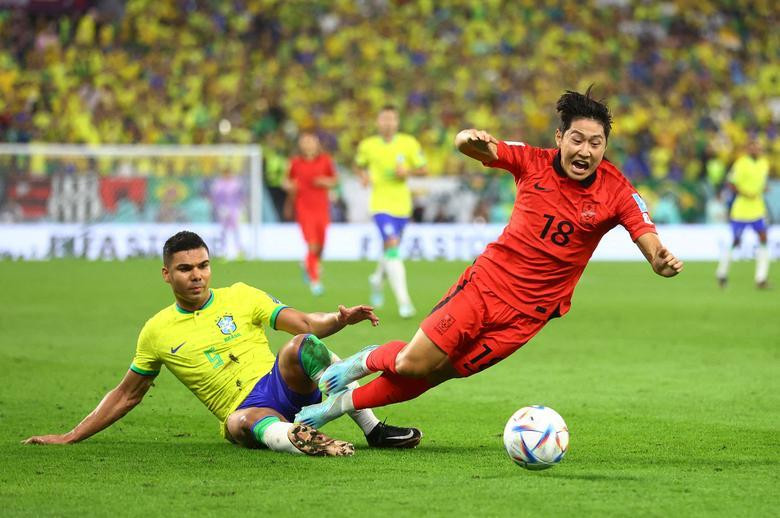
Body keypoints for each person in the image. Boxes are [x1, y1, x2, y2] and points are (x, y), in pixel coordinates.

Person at [295, 88, 684, 430]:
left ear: (604, 147)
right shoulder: (532, 161)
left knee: (434, 374)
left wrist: (658, 259)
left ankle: (332, 408)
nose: (585, 151)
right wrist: (469, 138)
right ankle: (362, 361)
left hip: (527, 316)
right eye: (577, 139)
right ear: (560, 138)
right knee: (414, 363)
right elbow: (472, 145)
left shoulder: (617, 190)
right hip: (485, 287)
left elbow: (645, 232)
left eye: (595, 143)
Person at [23, 231, 422, 456]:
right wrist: (72, 435)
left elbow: (303, 321)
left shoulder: (241, 295)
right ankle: (303, 440)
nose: (197, 275)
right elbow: (127, 394)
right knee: (236, 424)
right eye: (185, 269)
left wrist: (338, 319)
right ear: (166, 274)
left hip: (281, 382)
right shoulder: (157, 331)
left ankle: (372, 429)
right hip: (247, 410)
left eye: (203, 265)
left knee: (303, 343)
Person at [355, 105, 427, 318]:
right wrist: (363, 176)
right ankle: (405, 303)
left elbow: (424, 169)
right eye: (384, 119)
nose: (388, 123)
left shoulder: (409, 143)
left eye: (391, 119)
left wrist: (408, 171)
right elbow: (359, 165)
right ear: (378, 122)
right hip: (380, 205)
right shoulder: (368, 145)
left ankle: (377, 279)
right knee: (393, 247)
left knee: (389, 250)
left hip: (402, 206)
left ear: (397, 122)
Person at [285, 132, 338, 295]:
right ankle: (315, 281)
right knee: (312, 245)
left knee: (321, 247)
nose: (308, 145)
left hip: (321, 208)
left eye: (311, 141)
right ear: (300, 145)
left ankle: (307, 265)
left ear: (317, 144)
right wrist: (290, 188)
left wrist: (324, 181)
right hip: (304, 209)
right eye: (305, 142)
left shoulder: (326, 160)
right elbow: (287, 181)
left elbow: (335, 180)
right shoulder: (295, 163)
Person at [716, 137, 771, 289]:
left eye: (757, 147)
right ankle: (722, 273)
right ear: (748, 149)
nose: (755, 150)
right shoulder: (741, 163)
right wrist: (745, 193)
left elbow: (761, 182)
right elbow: (731, 183)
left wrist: (763, 188)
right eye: (752, 147)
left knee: (764, 238)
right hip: (741, 210)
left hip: (758, 209)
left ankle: (761, 278)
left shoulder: (764, 163)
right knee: (736, 241)